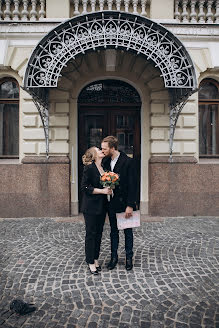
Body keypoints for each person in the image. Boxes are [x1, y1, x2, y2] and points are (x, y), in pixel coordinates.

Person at [101, 136, 137, 271]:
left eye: (105, 148)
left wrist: (130, 205)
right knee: (113, 232)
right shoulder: (105, 161)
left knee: (127, 231)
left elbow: (133, 185)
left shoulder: (128, 161)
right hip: (111, 203)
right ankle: (113, 258)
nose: (103, 151)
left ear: (112, 148)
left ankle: (129, 258)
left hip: (124, 203)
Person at [81, 146, 112, 275]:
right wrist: (102, 191)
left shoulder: (103, 168)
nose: (101, 151)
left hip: (101, 206)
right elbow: (85, 187)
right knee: (91, 234)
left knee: (99, 233)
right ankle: (90, 261)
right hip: (90, 207)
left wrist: (110, 187)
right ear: (94, 155)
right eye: (98, 150)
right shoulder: (89, 168)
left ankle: (95, 257)